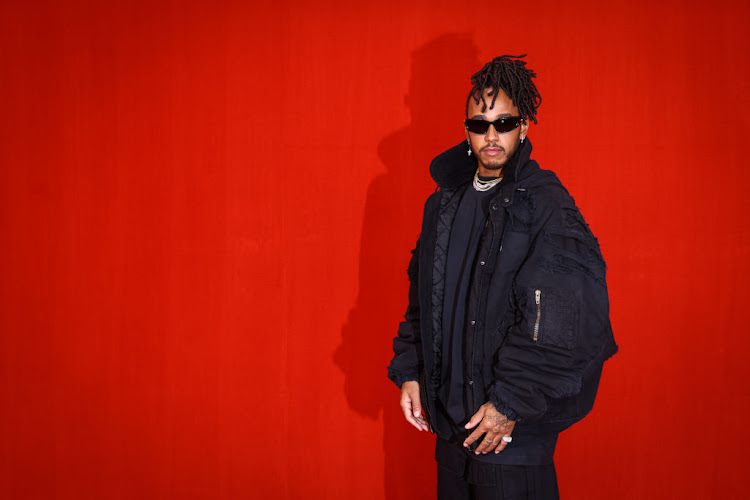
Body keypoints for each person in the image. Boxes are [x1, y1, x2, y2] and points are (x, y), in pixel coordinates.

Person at [387, 55, 618, 499]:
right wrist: (411, 371)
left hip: (511, 436)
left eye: (504, 122)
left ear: (524, 127)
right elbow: (424, 303)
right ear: (467, 130)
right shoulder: (443, 204)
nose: (491, 135)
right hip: (452, 428)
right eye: (479, 124)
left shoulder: (546, 205)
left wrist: (511, 403)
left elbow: (568, 319)